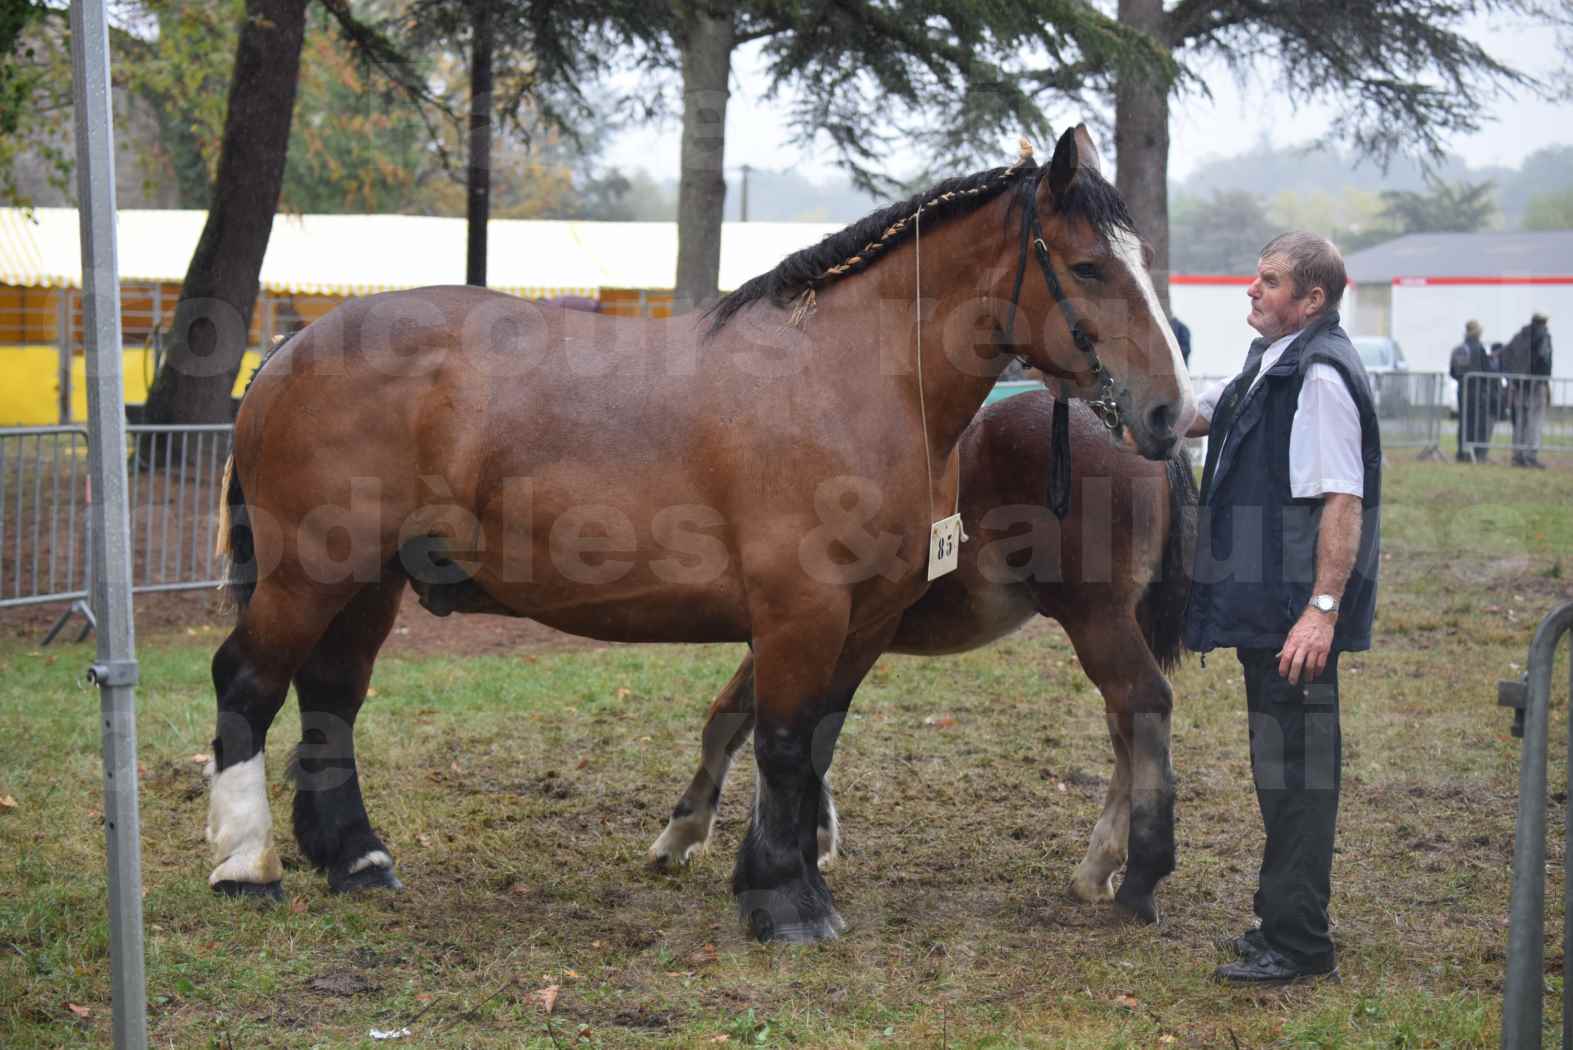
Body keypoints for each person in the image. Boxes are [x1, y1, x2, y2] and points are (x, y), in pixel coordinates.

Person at [1184, 232, 1381, 985]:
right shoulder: (1272, 363)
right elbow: (1201, 416)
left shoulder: (1319, 376)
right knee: (1280, 773)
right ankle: (1279, 922)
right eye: (1253, 278)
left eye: (1268, 282)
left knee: (1298, 778)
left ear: (1312, 300)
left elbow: (1342, 498)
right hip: (1264, 611)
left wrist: (1320, 610)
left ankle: (1299, 946)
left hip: (1291, 619)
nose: (1251, 291)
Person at [1502, 313, 1553, 468]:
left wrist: (1512, 377)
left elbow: (1505, 354)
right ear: (1545, 321)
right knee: (1534, 421)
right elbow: (1544, 359)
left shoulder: (1520, 336)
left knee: (1520, 421)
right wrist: (1544, 381)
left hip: (1519, 385)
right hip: (1536, 385)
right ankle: (1530, 456)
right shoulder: (1544, 336)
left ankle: (1518, 455)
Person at [1448, 320, 1492, 462]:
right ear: (1477, 332)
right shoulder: (1479, 349)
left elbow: (1453, 372)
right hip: (1478, 391)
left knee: (1464, 422)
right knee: (1478, 423)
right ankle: (1477, 454)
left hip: (1463, 390)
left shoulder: (1458, 349)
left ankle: (1462, 452)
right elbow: (1487, 371)